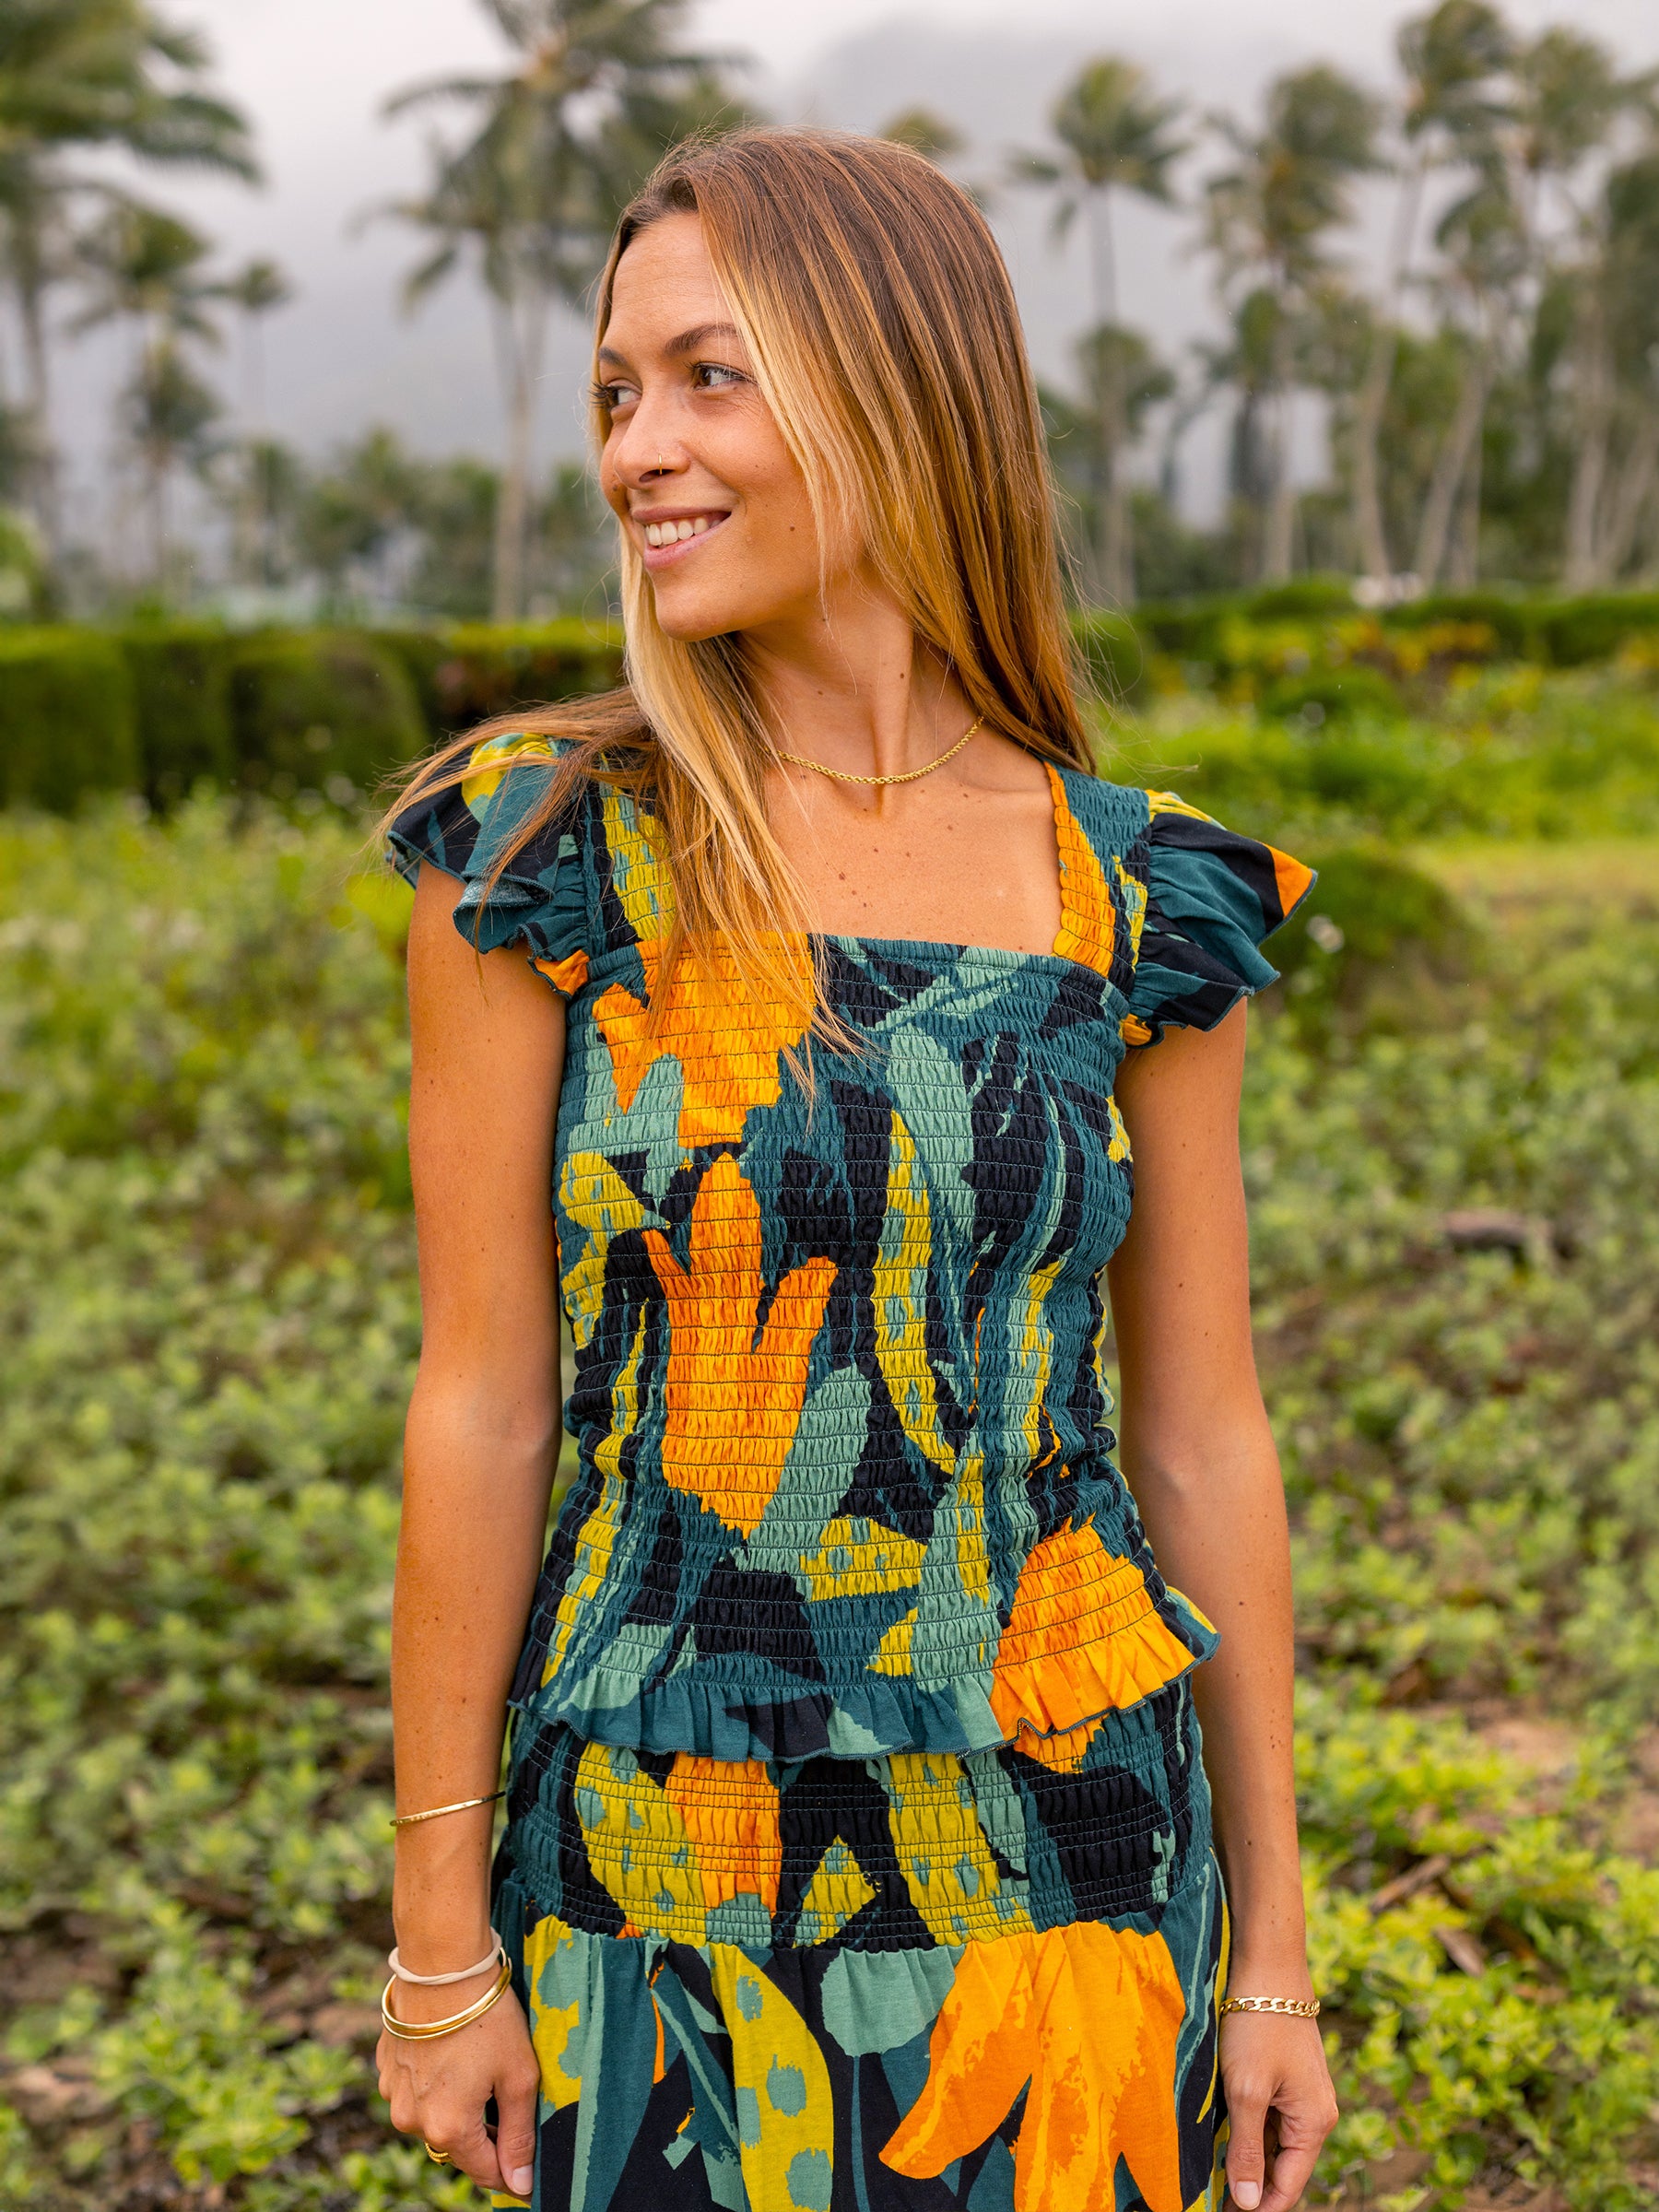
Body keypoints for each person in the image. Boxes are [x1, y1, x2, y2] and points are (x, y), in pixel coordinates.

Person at [375, 126, 1337, 2212]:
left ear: (898, 388)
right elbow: (483, 1403)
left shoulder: (1140, 896)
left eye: (708, 377)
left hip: (1074, 1857)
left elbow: (1202, 1436)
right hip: (656, 1860)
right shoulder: (546, 853)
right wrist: (438, 1944)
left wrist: (1271, 1953)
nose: (638, 450)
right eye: (618, 391)